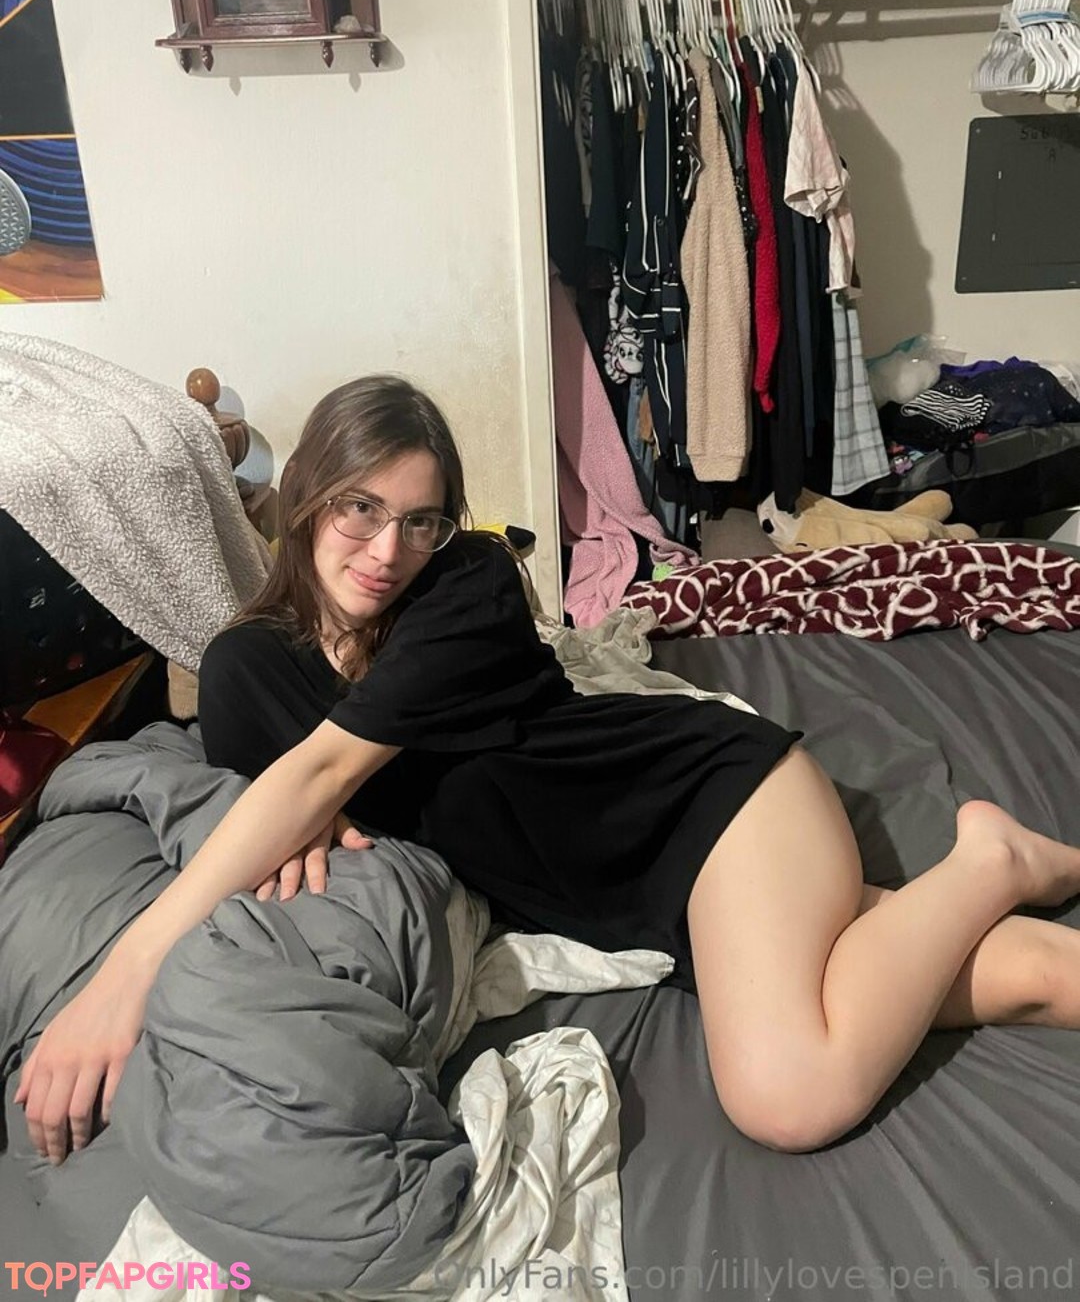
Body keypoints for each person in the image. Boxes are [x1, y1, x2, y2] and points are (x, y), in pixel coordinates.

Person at [16, 375, 1080, 1165]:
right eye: (359, 507)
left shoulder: (466, 585)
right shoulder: (247, 667)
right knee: (1022, 978)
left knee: (787, 1094)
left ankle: (988, 858)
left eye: (419, 518)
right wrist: (304, 821)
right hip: (647, 897)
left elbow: (319, 775)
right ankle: (1011, 890)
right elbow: (282, 813)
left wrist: (124, 978)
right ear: (304, 497)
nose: (388, 550)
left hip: (710, 809)